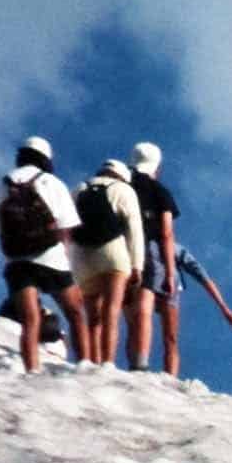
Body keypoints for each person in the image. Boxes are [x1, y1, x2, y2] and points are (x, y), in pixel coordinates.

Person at [0, 137, 90, 371]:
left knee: (30, 319)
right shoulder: (52, 182)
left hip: (17, 261)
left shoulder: (4, 184)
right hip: (51, 258)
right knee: (75, 312)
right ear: (46, 159)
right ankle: (85, 365)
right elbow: (67, 226)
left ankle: (31, 369)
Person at [69, 159, 145, 365]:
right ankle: (107, 362)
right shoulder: (123, 189)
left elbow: (66, 226)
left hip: (81, 256)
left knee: (92, 317)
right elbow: (134, 230)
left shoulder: (79, 188)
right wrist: (137, 266)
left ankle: (91, 362)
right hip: (113, 251)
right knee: (111, 310)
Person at [124, 142, 180, 372]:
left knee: (128, 312)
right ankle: (140, 363)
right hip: (147, 250)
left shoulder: (123, 184)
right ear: (156, 166)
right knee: (144, 305)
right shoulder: (160, 191)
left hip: (119, 249)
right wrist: (170, 273)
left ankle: (128, 360)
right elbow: (166, 233)